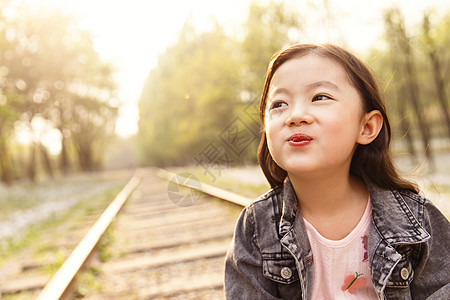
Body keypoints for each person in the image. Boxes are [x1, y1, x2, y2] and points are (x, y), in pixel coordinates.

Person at [224, 44, 450, 299]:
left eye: (320, 97)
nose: (295, 116)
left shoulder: (416, 219)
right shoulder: (256, 227)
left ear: (366, 127)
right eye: (279, 104)